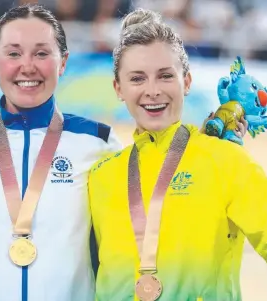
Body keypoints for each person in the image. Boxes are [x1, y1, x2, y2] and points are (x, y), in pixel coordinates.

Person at [0, 4, 123, 301]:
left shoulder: (98, 143)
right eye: (13, 53)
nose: (27, 66)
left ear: (63, 62)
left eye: (42, 53)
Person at [88, 8, 267, 301]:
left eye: (165, 76)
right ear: (118, 88)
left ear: (186, 82)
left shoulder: (226, 161)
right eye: (137, 79)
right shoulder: (101, 175)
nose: (153, 90)